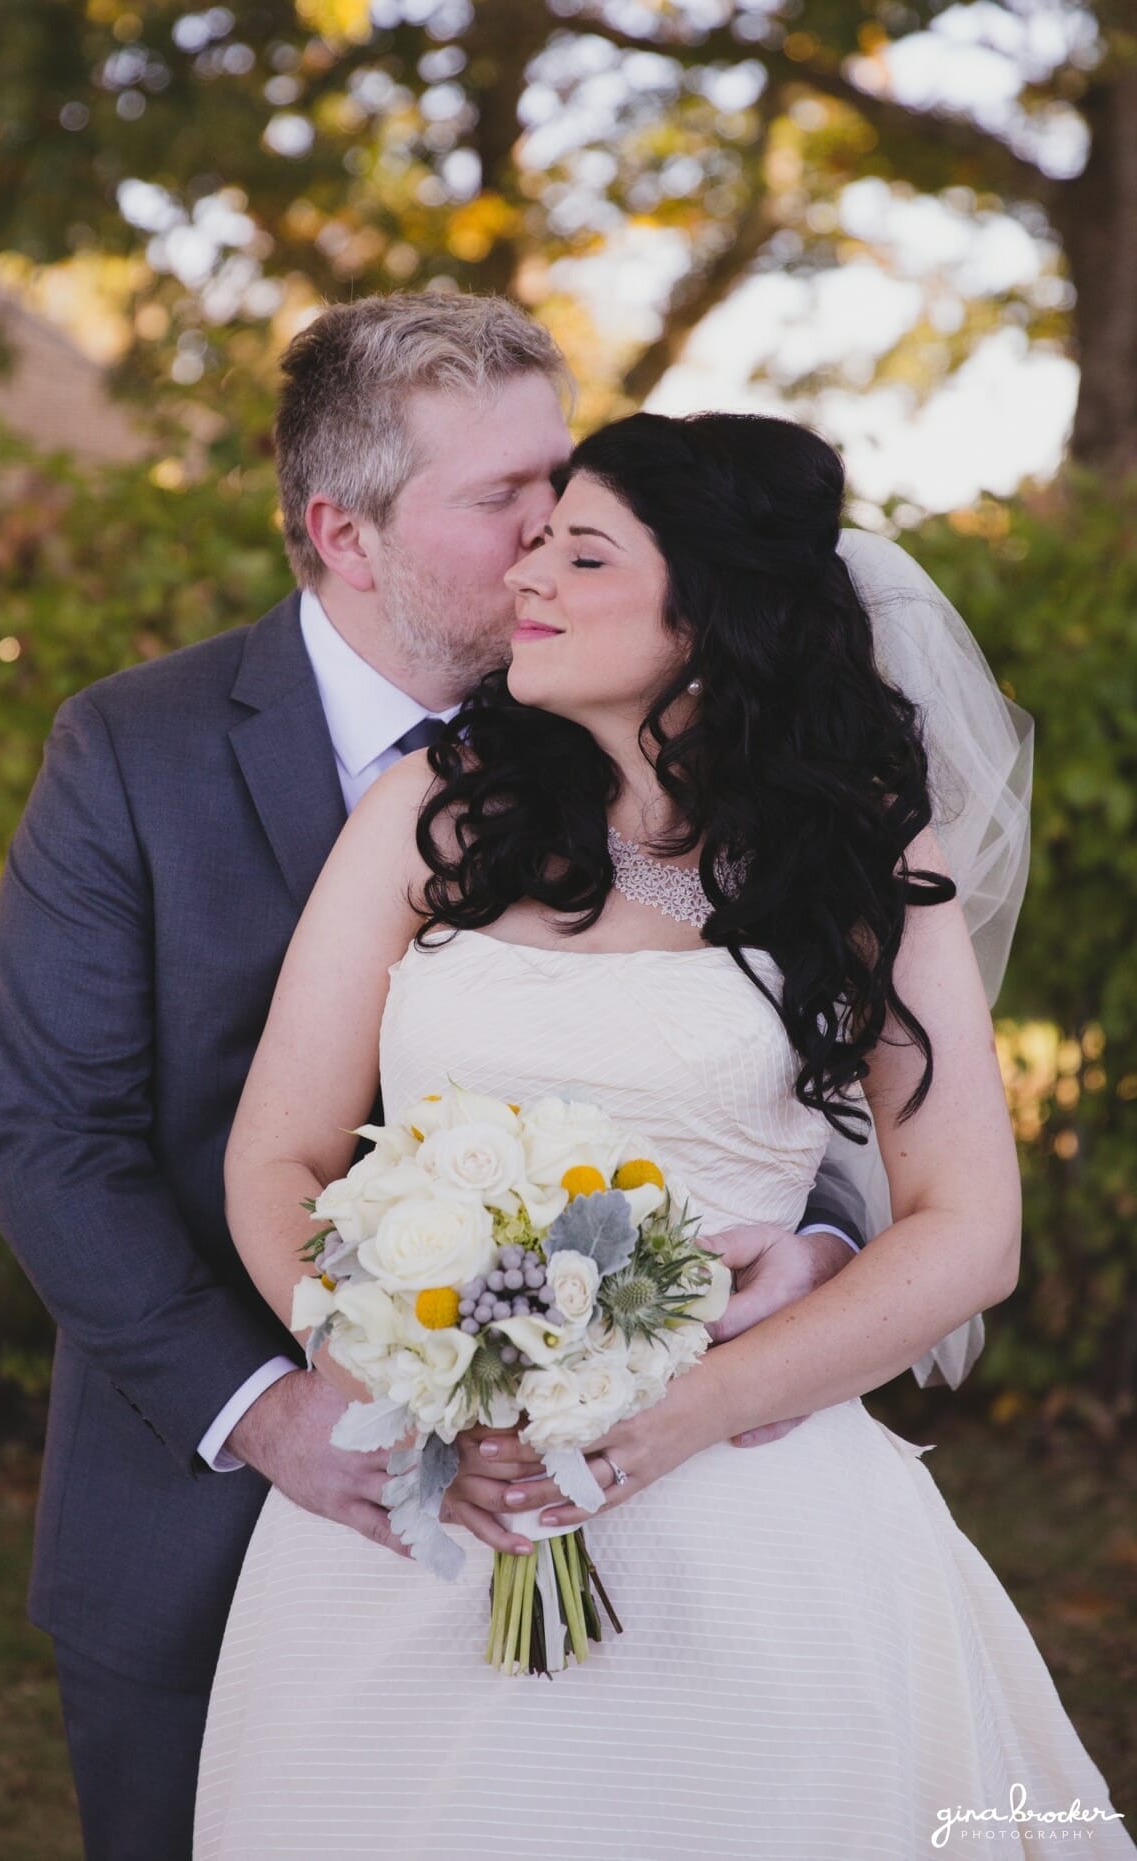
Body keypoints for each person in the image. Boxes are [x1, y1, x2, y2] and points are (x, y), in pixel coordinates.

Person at [0, 295, 885, 1861]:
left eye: (568, 487)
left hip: (641, 1501)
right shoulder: (131, 747)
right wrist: (272, 1411)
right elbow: (54, 1140)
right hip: (209, 1502)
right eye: (503, 501)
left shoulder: (674, 756)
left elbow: (787, 1063)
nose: (553, 536)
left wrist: (817, 1243)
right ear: (346, 531)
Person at [194, 410, 1131, 1859]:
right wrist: (385, 1353)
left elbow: (969, 1227)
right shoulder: (431, 816)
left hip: (744, 1505)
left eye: (583, 550)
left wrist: (674, 1416)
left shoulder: (866, 860)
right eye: (535, 542)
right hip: (438, 1497)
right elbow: (278, 1155)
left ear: (711, 611)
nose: (529, 579)